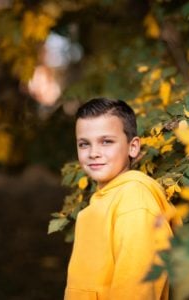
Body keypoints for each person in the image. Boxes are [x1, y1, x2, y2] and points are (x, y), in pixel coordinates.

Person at [64, 97, 173, 300]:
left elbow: (137, 287)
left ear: (133, 147)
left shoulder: (134, 200)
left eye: (106, 142)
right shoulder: (104, 200)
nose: (94, 153)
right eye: (84, 144)